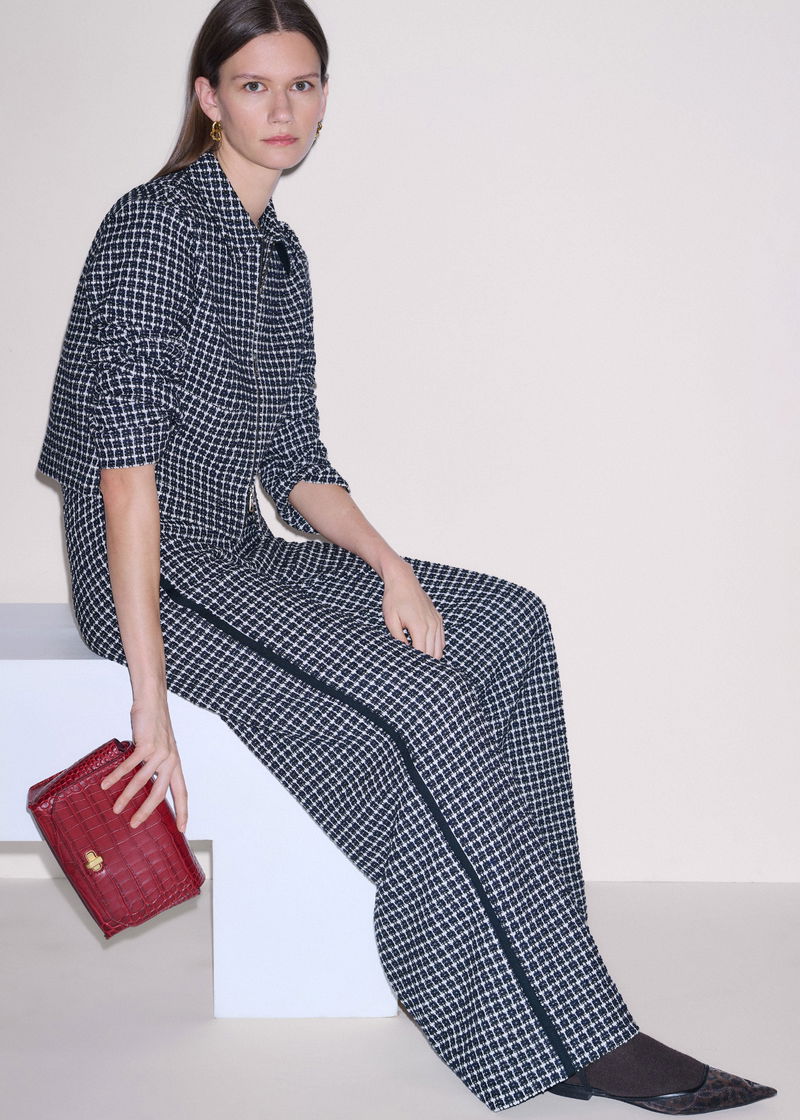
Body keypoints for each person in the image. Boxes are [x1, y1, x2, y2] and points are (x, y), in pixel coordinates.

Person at [37, 0, 778, 1113]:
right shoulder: (154, 226)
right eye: (253, 85)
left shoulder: (278, 255)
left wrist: (392, 568)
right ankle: (582, 1038)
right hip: (147, 569)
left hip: (238, 549)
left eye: (301, 85)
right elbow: (123, 474)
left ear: (325, 99)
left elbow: (295, 463)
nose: (282, 109)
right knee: (423, 705)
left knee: (509, 622)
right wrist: (150, 702)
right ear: (207, 99)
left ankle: (540, 968)